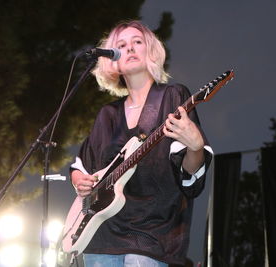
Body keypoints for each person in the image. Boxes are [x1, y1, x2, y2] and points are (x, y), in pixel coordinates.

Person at [68, 20, 213, 267]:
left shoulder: (172, 96)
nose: (130, 48)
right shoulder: (107, 115)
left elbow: (190, 174)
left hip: (151, 236)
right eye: (121, 45)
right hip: (100, 236)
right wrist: (78, 180)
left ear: (151, 52)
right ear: (112, 58)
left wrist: (195, 147)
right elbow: (81, 165)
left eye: (138, 42)